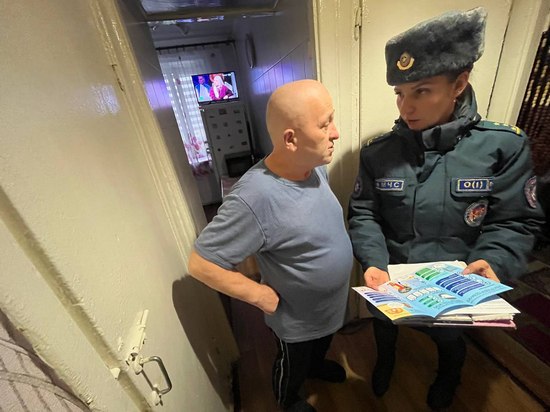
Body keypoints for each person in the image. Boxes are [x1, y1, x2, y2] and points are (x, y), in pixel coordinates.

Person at [347, 7, 545, 410]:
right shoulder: (379, 153)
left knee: (450, 340)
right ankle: (386, 362)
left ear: (459, 84)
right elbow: (364, 213)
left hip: (454, 287)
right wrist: (374, 262)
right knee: (385, 329)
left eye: (422, 91)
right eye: (400, 93)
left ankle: (449, 376)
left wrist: (493, 261)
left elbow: (515, 221)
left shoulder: (502, 146)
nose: (406, 107)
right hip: (391, 279)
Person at [188, 79, 353, 412]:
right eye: (325, 125)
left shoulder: (314, 169)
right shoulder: (254, 198)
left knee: (320, 346)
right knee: (292, 365)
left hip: (328, 307)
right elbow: (201, 263)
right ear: (291, 140)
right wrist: (259, 295)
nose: (336, 133)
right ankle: (288, 399)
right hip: (296, 319)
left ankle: (316, 367)